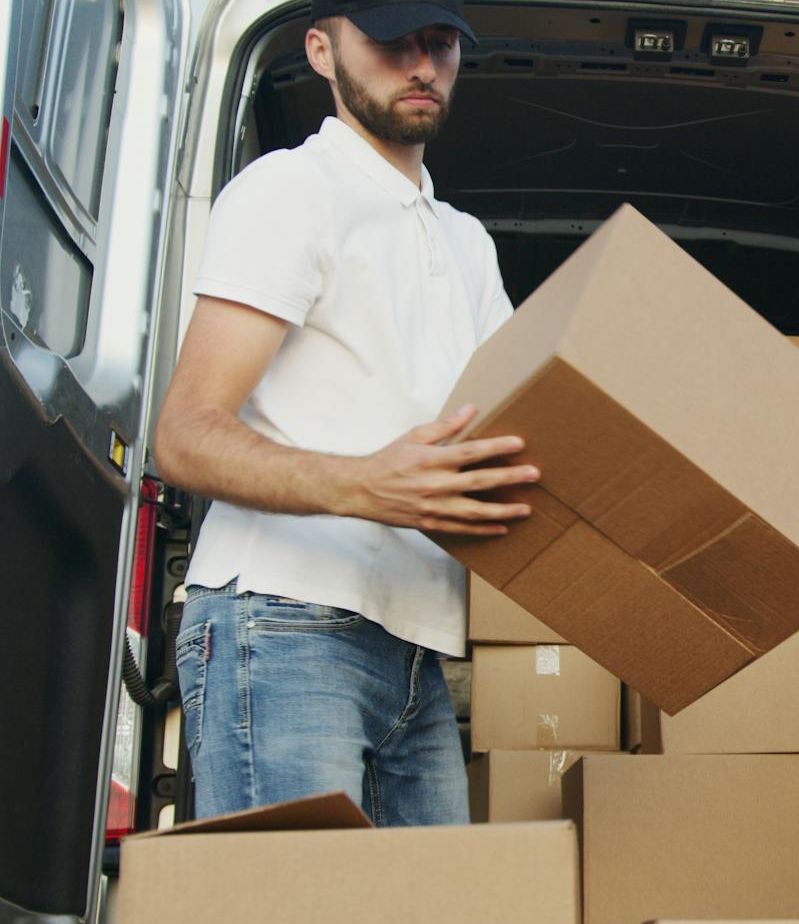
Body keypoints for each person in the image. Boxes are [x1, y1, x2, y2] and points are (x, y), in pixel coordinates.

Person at [153, 0, 537, 823]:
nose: (421, 63)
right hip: (284, 622)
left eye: (439, 44)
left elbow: (517, 428)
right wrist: (366, 485)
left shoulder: (467, 241)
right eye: (392, 42)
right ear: (322, 50)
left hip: (418, 651)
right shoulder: (291, 190)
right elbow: (182, 435)